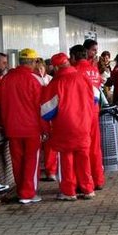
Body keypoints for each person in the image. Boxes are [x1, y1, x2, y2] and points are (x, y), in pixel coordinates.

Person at [41, 53, 96, 200]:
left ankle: (69, 191)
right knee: (84, 157)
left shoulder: (55, 83)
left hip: (64, 126)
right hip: (84, 124)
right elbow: (95, 99)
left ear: (56, 67)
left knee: (66, 159)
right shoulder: (83, 77)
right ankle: (88, 189)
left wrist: (47, 127)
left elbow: (47, 111)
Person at [0, 48, 46, 204]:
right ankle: (28, 194)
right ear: (33, 62)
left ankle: (21, 191)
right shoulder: (34, 80)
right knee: (31, 161)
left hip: (12, 128)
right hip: (31, 128)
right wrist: (45, 128)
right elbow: (41, 106)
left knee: (17, 161)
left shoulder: (6, 79)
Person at [70, 44, 105, 191]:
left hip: (80, 115)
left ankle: (83, 182)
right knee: (95, 147)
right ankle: (98, 180)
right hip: (94, 112)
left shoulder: (74, 71)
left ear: (73, 57)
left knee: (80, 150)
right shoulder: (94, 70)